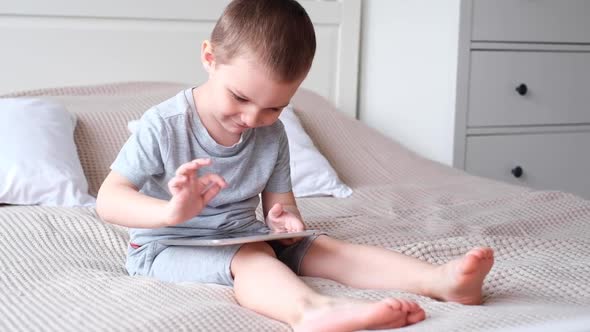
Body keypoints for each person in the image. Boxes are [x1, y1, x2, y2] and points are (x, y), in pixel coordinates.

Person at [96, 0, 494, 331]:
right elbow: (109, 200)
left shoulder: (272, 134)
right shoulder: (164, 125)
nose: (252, 119)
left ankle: (439, 281)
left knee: (323, 248)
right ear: (209, 58)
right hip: (167, 247)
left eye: (274, 107)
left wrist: (285, 224)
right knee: (252, 259)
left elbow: (281, 209)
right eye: (239, 97)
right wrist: (170, 211)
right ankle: (312, 311)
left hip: (245, 234)